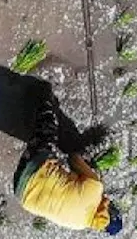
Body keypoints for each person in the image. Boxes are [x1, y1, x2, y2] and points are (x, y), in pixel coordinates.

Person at [14, 97, 122, 234]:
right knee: (49, 159)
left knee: (48, 129)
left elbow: (73, 158)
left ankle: (42, 99)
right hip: (21, 194)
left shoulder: (96, 188)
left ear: (110, 209)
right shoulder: (79, 225)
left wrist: (91, 170)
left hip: (35, 168)